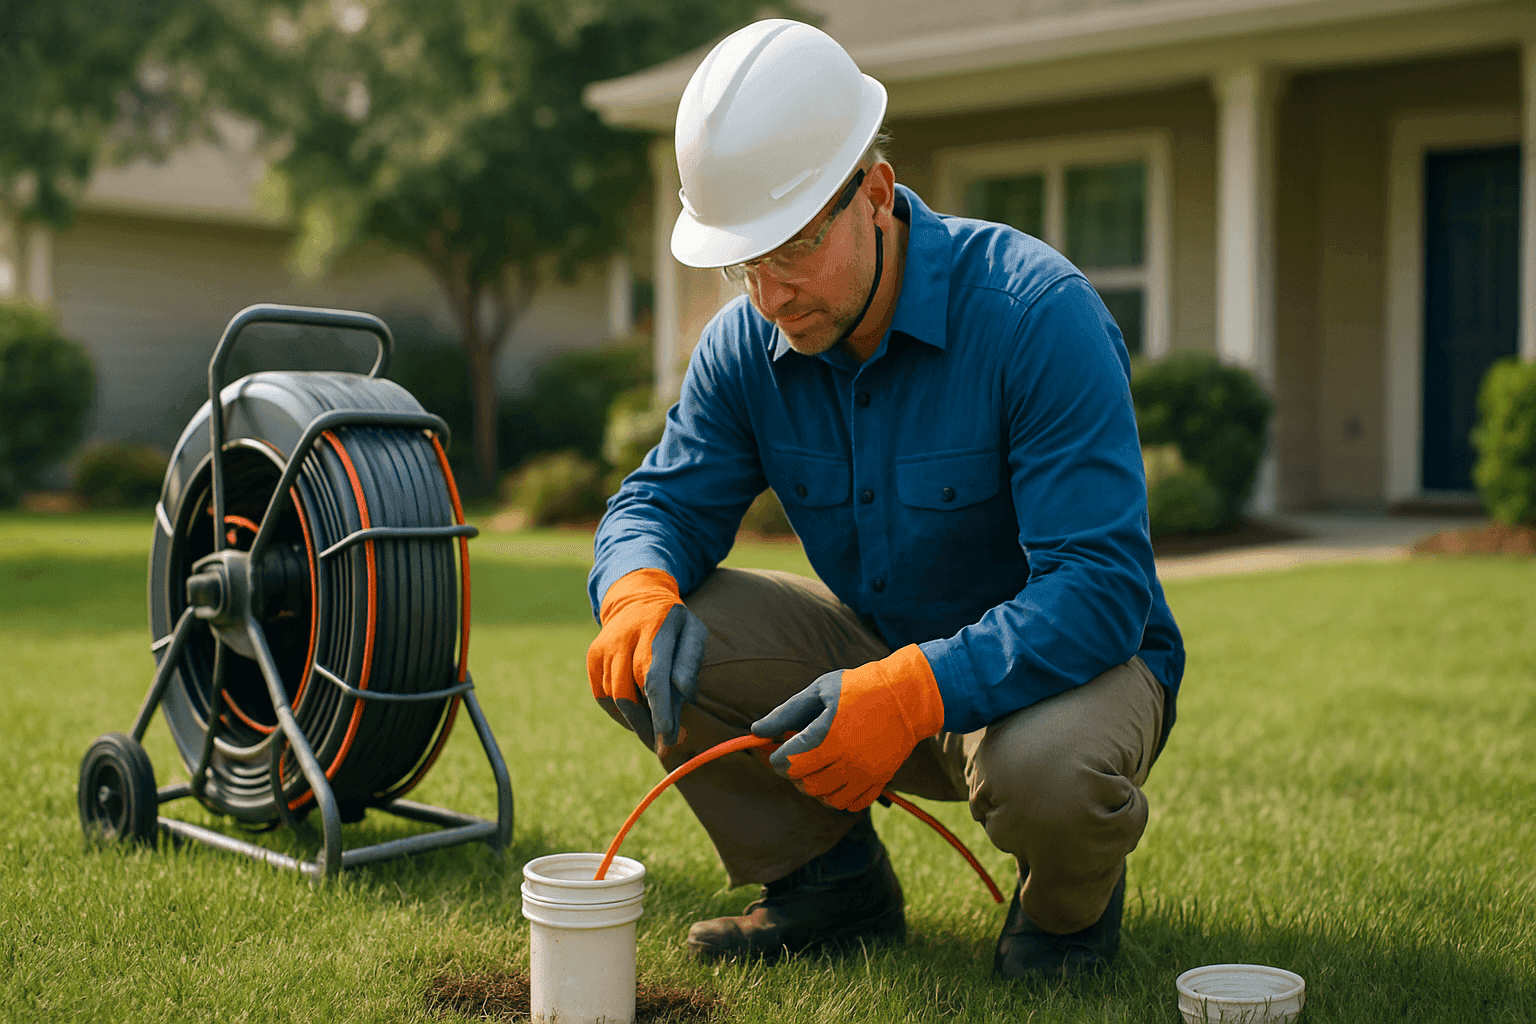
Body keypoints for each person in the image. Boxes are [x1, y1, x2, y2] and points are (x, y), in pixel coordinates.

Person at [585, 18, 1183, 982]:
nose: (769, 296)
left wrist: (913, 693)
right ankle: (829, 887)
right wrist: (636, 591)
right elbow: (662, 502)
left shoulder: (1036, 316)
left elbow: (1102, 590)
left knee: (1049, 774)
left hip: (1068, 675)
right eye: (745, 265)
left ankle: (1066, 917)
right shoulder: (747, 347)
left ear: (874, 192)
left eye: (792, 251)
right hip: (870, 661)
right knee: (662, 641)